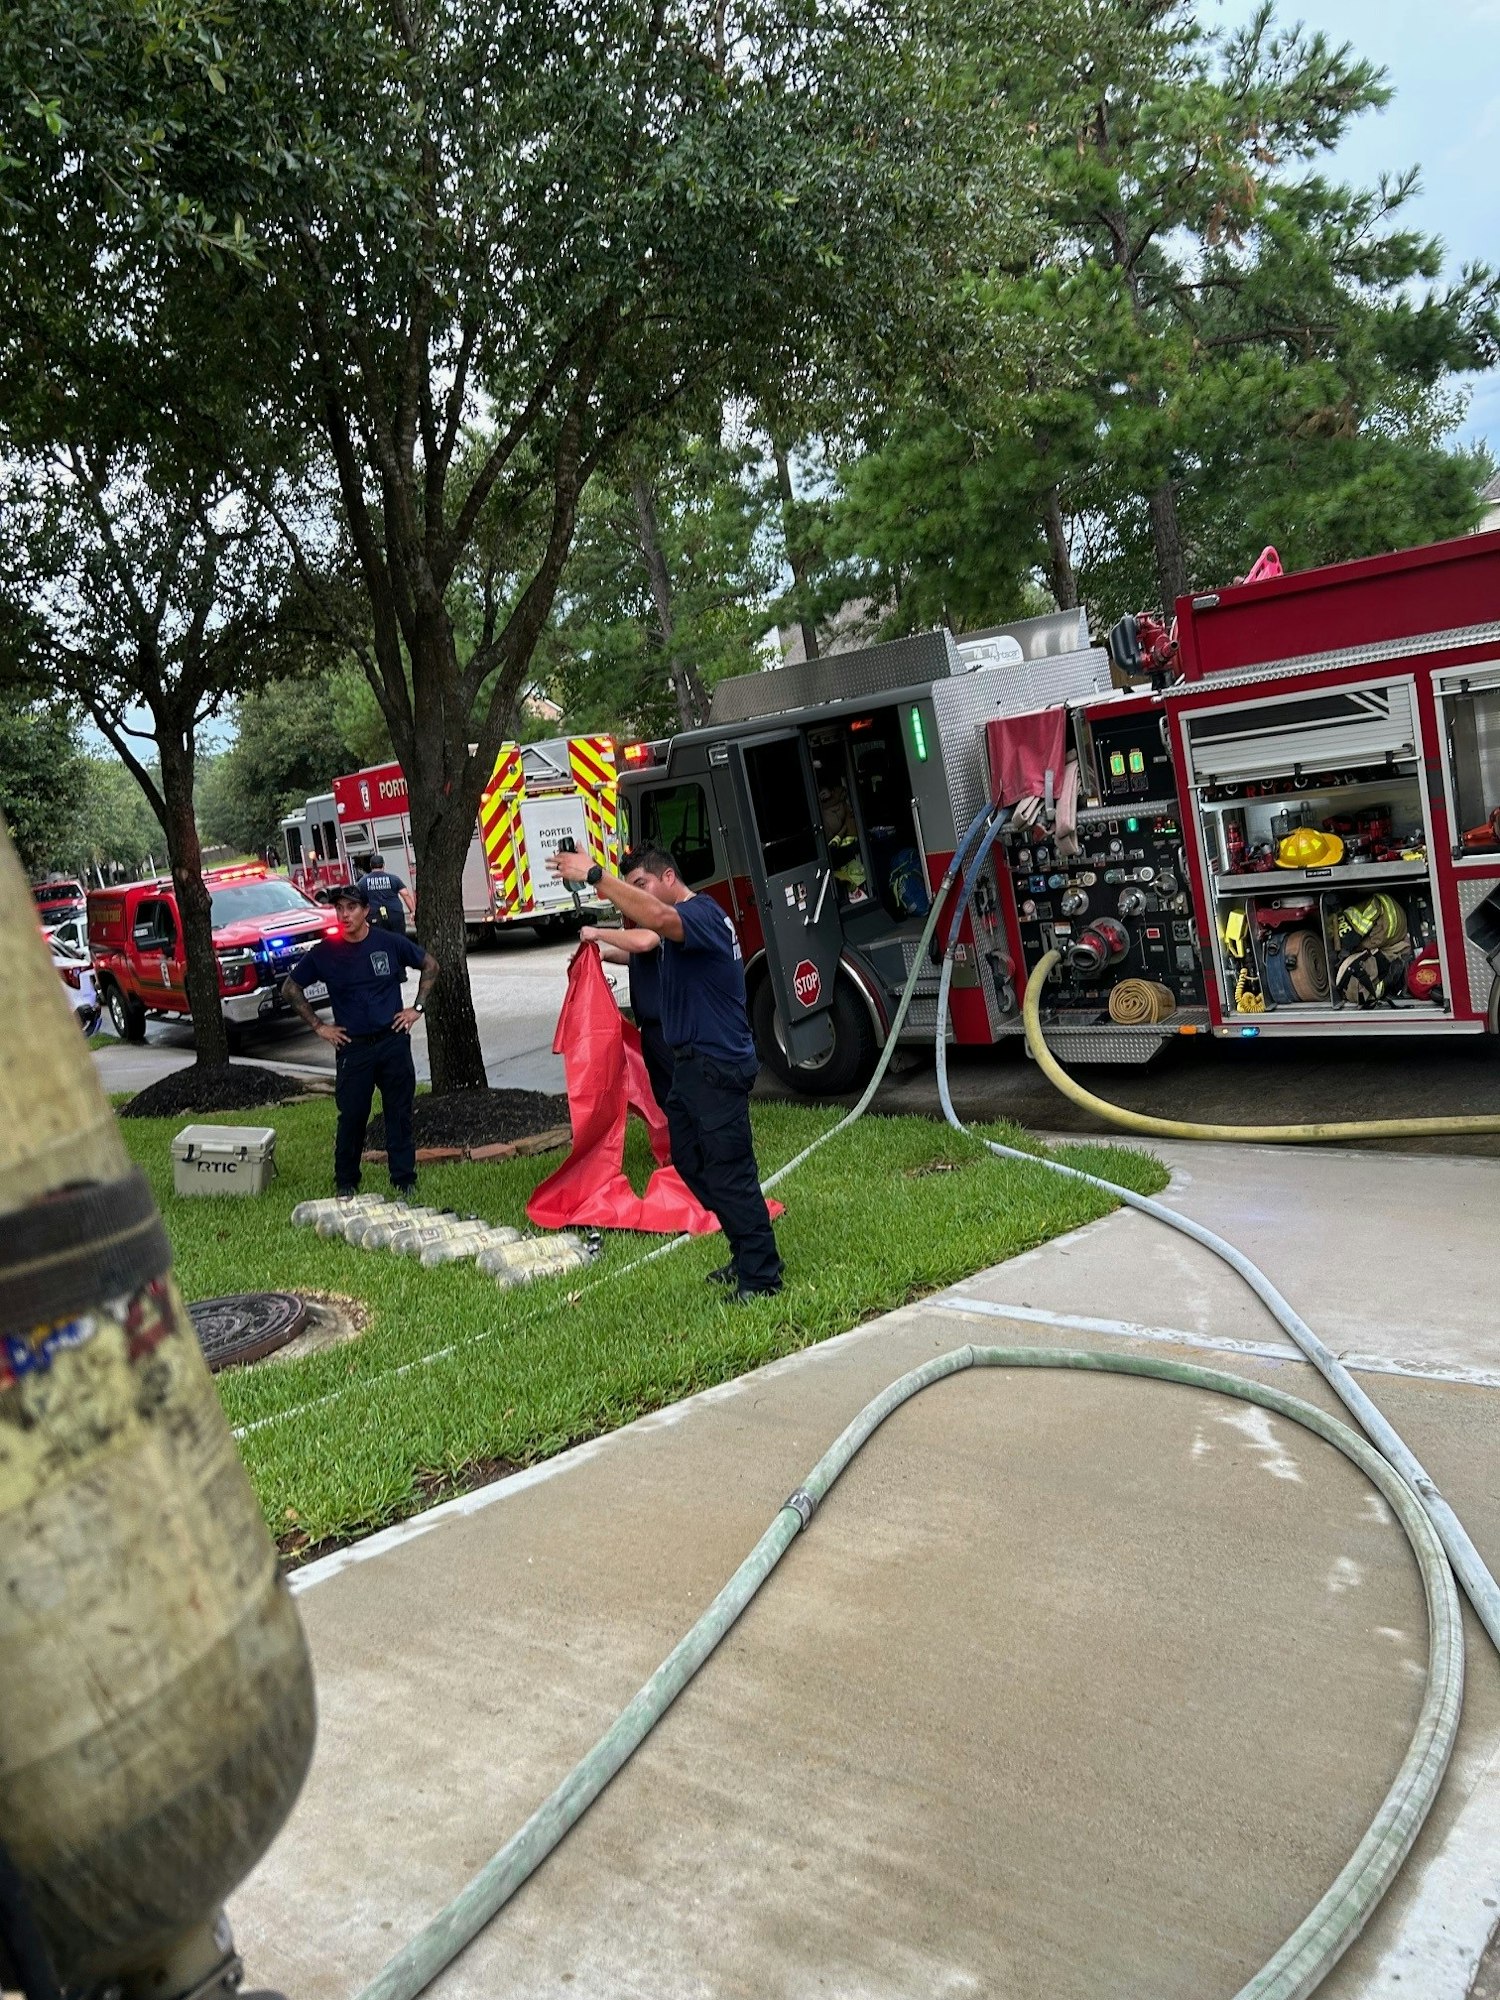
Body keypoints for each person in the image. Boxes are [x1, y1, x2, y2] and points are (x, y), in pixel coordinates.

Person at [552, 842, 781, 1301]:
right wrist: (599, 942)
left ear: (670, 878)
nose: (640, 896)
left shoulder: (701, 916)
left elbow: (656, 921)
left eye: (643, 885)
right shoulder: (680, 930)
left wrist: (597, 875)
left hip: (718, 1063)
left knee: (729, 1171)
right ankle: (743, 1249)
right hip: (691, 1066)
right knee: (694, 1164)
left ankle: (761, 1275)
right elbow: (645, 942)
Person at [281, 883, 439, 1198]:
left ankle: (404, 1180)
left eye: (351, 908)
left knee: (399, 1112)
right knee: (352, 1116)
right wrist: (318, 1026)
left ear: (365, 911)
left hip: (392, 1040)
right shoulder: (325, 952)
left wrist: (416, 1008)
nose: (344, 914)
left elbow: (430, 965)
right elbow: (290, 988)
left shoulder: (390, 943)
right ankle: (346, 1182)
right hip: (353, 1048)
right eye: (339, 908)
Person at [580, 913, 672, 1112]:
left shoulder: (659, 913)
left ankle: (694, 1140)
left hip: (666, 1026)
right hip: (649, 1027)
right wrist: (605, 955)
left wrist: (598, 933)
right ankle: (678, 1138)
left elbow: (644, 943)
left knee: (680, 1093)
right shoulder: (644, 919)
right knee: (665, 1097)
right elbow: (636, 955)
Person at [354, 852, 416, 937]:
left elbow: (358, 900)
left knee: (380, 940)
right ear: (383, 865)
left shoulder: (362, 882)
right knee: (399, 939)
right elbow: (405, 894)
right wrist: (412, 911)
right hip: (395, 914)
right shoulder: (394, 879)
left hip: (374, 915)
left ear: (370, 865)